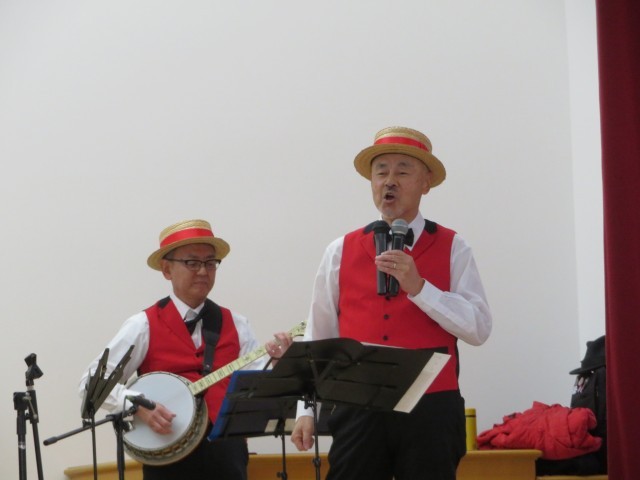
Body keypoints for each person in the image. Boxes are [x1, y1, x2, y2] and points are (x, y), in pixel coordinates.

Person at [290, 126, 493, 480]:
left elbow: (478, 328)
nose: (389, 181)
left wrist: (420, 288)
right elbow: (319, 336)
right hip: (358, 407)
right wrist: (305, 410)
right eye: (381, 171)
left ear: (426, 183)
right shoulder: (339, 250)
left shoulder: (453, 247)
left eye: (403, 171)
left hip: (431, 409)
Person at [79, 219, 292, 480]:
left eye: (210, 263)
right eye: (192, 262)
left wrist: (279, 365)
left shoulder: (238, 324)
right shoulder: (142, 325)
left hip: (227, 455)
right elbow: (91, 384)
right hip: (167, 456)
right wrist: (137, 406)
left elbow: (257, 389)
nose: (203, 271)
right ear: (166, 269)